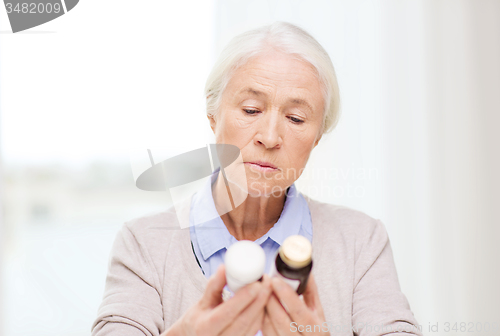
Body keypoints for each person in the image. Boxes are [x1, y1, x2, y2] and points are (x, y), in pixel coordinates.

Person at [91, 21, 422, 336]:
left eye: (295, 118)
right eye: (251, 110)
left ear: (317, 136)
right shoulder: (144, 244)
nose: (269, 136)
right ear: (212, 115)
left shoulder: (360, 242)